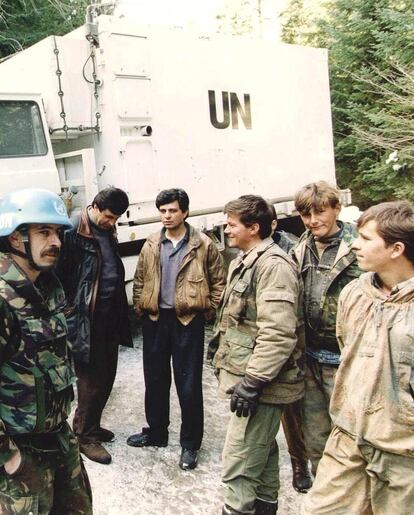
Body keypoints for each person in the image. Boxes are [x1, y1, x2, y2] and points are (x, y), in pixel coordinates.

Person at [0, 188, 93, 515]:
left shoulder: (47, 288)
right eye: (43, 232)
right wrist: (9, 459)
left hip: (58, 441)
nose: (55, 241)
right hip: (21, 455)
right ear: (16, 238)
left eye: (57, 232)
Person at [305, 200, 414, 514]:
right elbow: (348, 350)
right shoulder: (354, 293)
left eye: (367, 239)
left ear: (396, 249)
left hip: (403, 453)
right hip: (348, 439)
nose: (355, 245)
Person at [210, 195, 304, 515]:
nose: (226, 229)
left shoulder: (273, 266)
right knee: (261, 458)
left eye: (231, 224)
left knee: (239, 463)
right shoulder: (246, 259)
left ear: (254, 227)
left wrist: (253, 382)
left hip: (261, 384)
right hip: (252, 379)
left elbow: (277, 333)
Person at [127, 188, 225, 472]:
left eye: (172, 211)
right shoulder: (151, 243)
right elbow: (140, 278)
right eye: (163, 211)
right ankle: (157, 432)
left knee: (189, 385)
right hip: (156, 320)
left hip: (187, 322)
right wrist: (141, 306)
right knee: (155, 380)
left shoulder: (203, 244)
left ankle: (190, 444)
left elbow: (219, 283)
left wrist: (206, 310)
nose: (167, 216)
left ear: (185, 212)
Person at [55, 187, 132, 465]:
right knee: (90, 380)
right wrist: (68, 312)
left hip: (110, 316)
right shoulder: (72, 229)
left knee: (107, 375)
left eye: (116, 219)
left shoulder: (106, 228)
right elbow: (55, 277)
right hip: (85, 319)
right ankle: (84, 436)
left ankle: (92, 425)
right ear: (95, 207)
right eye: (109, 217)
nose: (112, 223)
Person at [290, 181, 361, 476]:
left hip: (345, 361)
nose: (313, 221)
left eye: (320, 212)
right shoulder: (300, 248)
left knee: (352, 439)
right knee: (317, 439)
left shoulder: (358, 248)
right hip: (310, 360)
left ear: (337, 209)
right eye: (306, 215)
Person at [270, 206, 312, 493]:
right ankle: (299, 463)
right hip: (289, 342)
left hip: (311, 336)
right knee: (290, 408)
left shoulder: (293, 249)